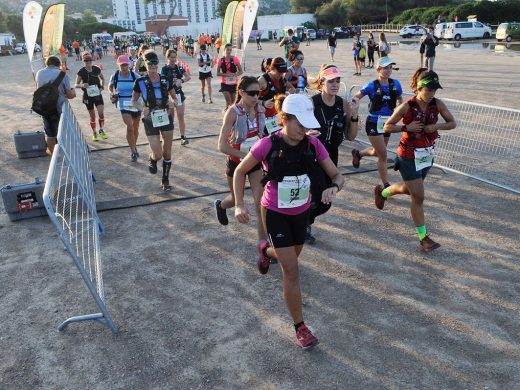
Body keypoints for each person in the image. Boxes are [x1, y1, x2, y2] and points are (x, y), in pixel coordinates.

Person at [233, 93, 345, 350]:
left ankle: (265, 250)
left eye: (307, 125)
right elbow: (240, 171)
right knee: (291, 270)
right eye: (300, 124)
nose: (304, 130)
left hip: (301, 212)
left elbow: (338, 175)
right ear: (284, 119)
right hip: (275, 212)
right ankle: (300, 327)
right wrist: (239, 204)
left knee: (292, 256)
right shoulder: (266, 145)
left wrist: (334, 189)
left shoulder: (313, 145)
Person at [380, 68, 456, 252]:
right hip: (408, 156)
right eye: (428, 89)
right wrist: (406, 127)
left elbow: (452, 123)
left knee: (410, 190)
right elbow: (387, 126)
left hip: (426, 155)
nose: (432, 94)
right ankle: (424, 238)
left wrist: (437, 126)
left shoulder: (437, 104)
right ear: (419, 88)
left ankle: (382, 193)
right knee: (419, 196)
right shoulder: (407, 106)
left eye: (434, 90)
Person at [306, 65, 359, 243]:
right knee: (316, 195)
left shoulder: (342, 104)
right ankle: (302, 224)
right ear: (322, 83)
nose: (335, 84)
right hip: (311, 156)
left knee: (325, 201)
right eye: (331, 81)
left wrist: (353, 115)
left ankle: (304, 220)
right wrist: (306, 134)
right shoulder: (312, 103)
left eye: (338, 81)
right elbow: (296, 127)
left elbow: (351, 136)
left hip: (331, 156)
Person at [214, 76, 266, 244]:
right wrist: (247, 156)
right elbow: (222, 146)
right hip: (237, 164)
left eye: (258, 93)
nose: (256, 97)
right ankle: (221, 205)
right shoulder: (232, 112)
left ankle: (263, 247)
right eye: (252, 93)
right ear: (242, 93)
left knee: (260, 205)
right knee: (237, 200)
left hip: (256, 163)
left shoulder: (260, 109)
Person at [351, 57, 403, 188]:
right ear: (378, 69)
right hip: (373, 123)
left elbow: (400, 99)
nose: (388, 70)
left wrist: (400, 111)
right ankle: (386, 184)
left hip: (387, 124)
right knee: (383, 154)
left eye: (390, 67)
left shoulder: (396, 84)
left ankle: (359, 154)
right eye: (385, 68)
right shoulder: (371, 85)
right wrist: (355, 112)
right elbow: (356, 97)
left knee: (378, 151)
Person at [131, 50, 178, 191]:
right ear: (145, 65)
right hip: (150, 119)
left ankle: (165, 180)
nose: (152, 69)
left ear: (158, 65)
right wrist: (141, 108)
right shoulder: (140, 82)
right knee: (158, 154)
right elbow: (133, 100)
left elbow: (175, 98)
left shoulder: (165, 79)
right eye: (149, 66)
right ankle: (152, 159)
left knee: (167, 152)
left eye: (154, 66)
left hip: (166, 116)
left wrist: (173, 102)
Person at [34, 56, 76, 154]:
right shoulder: (62, 74)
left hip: (44, 107)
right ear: (59, 64)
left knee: (50, 134)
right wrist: (73, 93)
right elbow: (69, 95)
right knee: (63, 132)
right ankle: (67, 154)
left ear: (47, 64)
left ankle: (53, 156)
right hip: (59, 108)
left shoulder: (39, 73)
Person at [109, 55, 142, 162]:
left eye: (126, 64)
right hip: (123, 103)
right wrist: (112, 93)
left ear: (129, 64)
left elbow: (143, 86)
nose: (124, 67)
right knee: (130, 126)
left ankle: (134, 145)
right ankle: (133, 151)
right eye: (122, 65)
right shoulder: (115, 76)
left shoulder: (134, 75)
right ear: (118, 65)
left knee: (136, 127)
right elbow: (110, 87)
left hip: (136, 103)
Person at [258, 57, 296, 134]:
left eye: (283, 72)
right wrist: (263, 103)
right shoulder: (262, 81)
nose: (281, 74)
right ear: (272, 68)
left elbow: (292, 88)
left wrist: (290, 92)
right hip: (265, 118)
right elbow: (248, 98)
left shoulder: (281, 79)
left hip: (279, 116)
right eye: (279, 72)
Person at [161, 49, 191, 145]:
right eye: (171, 57)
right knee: (170, 118)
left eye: (174, 57)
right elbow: (162, 82)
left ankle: (183, 137)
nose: (173, 59)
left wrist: (181, 81)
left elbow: (188, 77)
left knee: (181, 116)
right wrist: (170, 83)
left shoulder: (178, 68)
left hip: (178, 95)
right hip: (169, 95)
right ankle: (168, 138)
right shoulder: (164, 69)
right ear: (167, 57)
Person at [75, 52, 107, 141]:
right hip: (88, 96)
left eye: (89, 60)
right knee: (92, 116)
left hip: (97, 94)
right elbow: (76, 84)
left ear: (92, 60)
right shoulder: (81, 71)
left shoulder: (96, 69)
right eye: (86, 60)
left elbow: (103, 78)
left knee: (101, 113)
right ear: (83, 61)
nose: (88, 62)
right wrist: (82, 85)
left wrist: (102, 87)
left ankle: (101, 130)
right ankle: (94, 133)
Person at [217, 43, 243, 111]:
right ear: (224, 49)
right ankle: (227, 116)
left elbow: (241, 71)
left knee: (233, 103)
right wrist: (226, 75)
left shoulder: (235, 59)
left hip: (234, 84)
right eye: (228, 50)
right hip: (224, 84)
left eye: (230, 50)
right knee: (228, 102)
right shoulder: (220, 60)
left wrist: (235, 74)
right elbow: (218, 73)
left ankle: (228, 113)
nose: (229, 51)